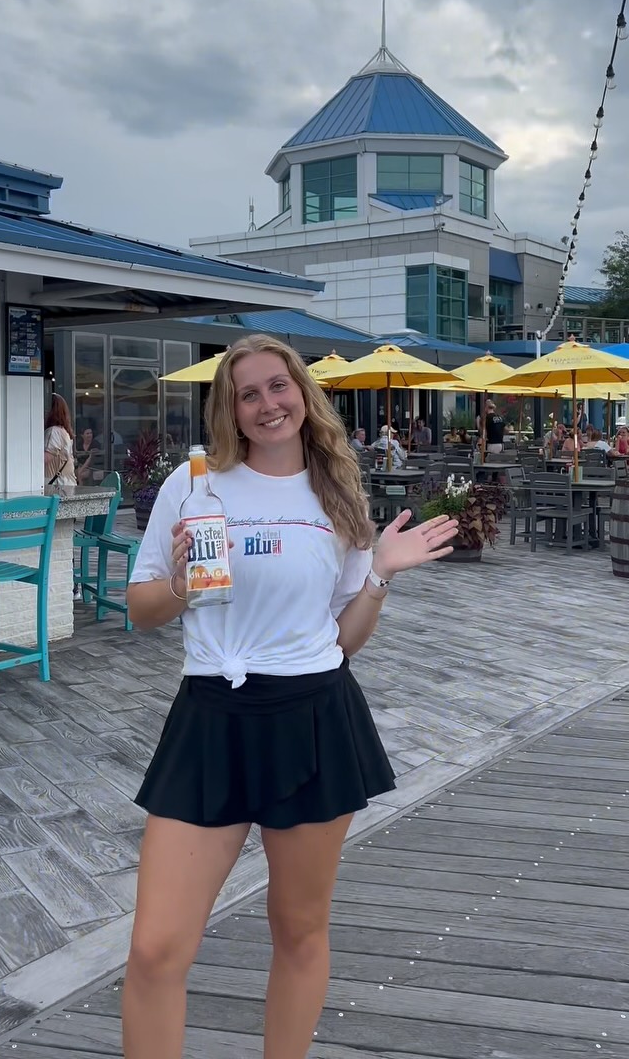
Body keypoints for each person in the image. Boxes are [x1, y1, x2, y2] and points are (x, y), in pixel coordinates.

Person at [122, 334, 457, 1059]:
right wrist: (180, 585)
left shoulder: (336, 490)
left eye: (279, 386)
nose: (268, 403)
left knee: (298, 930)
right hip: (212, 716)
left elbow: (344, 639)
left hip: (312, 715)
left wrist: (381, 575)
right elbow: (141, 607)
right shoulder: (195, 483)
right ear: (231, 410)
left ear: (301, 394)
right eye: (249, 393)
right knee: (154, 949)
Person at [44, 394, 77, 487]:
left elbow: (45, 459)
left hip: (56, 486)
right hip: (64, 485)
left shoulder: (54, 432)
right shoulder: (63, 431)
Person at [76, 419, 101, 485]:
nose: (90, 435)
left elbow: (90, 459)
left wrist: (81, 470)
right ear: (82, 435)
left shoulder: (95, 444)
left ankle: (81, 491)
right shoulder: (79, 444)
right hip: (81, 467)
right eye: (87, 433)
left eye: (91, 433)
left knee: (80, 475)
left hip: (93, 468)